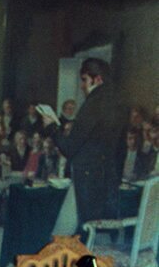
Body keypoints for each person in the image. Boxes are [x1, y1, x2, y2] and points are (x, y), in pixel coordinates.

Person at [38, 57, 122, 230]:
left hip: (86, 181)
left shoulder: (92, 105)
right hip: (107, 181)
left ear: (97, 79)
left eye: (84, 80)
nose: (82, 86)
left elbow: (69, 148)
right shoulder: (116, 104)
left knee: (64, 235)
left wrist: (53, 128)